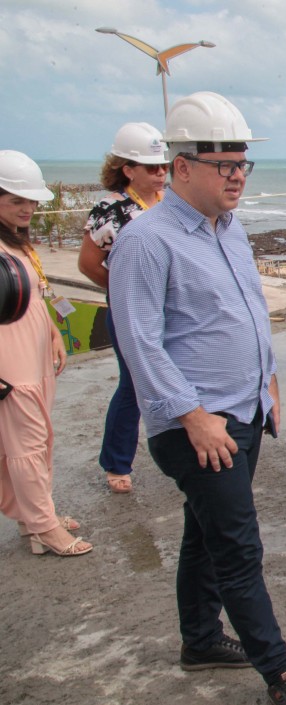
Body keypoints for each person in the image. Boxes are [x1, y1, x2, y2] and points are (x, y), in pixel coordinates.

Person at [109, 92, 286, 705]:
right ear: (180, 167)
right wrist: (193, 417)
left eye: (242, 163)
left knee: (203, 534)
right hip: (194, 424)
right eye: (222, 162)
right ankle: (281, 673)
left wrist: (270, 384)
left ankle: (200, 640)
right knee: (237, 547)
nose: (236, 175)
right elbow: (140, 342)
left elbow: (249, 312)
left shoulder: (232, 230)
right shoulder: (145, 243)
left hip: (244, 412)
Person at [0, 150, 91, 556]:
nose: (28, 208)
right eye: (16, 200)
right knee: (27, 445)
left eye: (31, 201)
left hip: (32, 356)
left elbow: (34, 294)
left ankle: (32, 517)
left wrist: (53, 331)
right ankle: (45, 528)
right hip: (10, 366)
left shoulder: (16, 242)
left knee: (33, 441)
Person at [78, 122, 169, 495]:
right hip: (131, 312)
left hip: (171, 308)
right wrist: (124, 291)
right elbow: (88, 263)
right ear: (128, 169)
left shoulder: (172, 202)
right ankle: (116, 462)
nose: (161, 173)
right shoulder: (111, 210)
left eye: (163, 166)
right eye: (152, 167)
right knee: (134, 384)